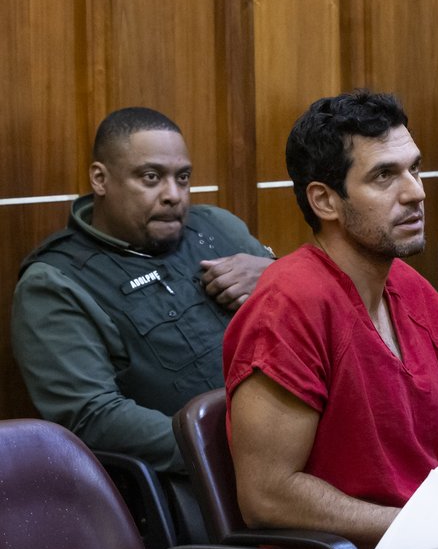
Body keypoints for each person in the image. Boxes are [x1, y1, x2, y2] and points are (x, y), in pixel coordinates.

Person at [223, 90, 438, 549]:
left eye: (414, 168)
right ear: (325, 201)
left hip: (433, 542)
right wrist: (430, 528)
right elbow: (267, 496)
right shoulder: (287, 307)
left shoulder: (417, 291)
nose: (416, 191)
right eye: (384, 176)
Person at [11, 107, 275, 473]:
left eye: (182, 178)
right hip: (205, 480)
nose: (173, 195)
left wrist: (277, 275)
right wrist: (230, 445)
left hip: (300, 437)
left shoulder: (216, 226)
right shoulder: (56, 282)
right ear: (100, 179)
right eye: (151, 177)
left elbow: (318, 319)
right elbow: (94, 417)